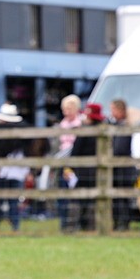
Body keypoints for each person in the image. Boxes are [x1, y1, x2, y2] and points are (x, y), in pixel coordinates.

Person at [0, 102, 27, 231]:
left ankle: (15, 227)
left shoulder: (19, 137)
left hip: (15, 172)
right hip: (1, 172)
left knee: (13, 202)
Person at [66, 103, 105, 231]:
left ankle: (76, 225)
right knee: (95, 199)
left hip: (83, 170)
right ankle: (93, 225)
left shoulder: (85, 131)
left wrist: (70, 167)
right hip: (99, 170)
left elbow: (75, 152)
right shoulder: (103, 130)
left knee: (80, 199)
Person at [55, 94, 83, 230]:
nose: (66, 111)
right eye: (65, 108)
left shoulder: (80, 124)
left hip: (75, 162)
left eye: (70, 108)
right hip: (63, 161)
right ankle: (64, 223)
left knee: (75, 194)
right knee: (62, 193)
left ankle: (76, 222)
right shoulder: (62, 124)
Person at [109, 98, 134, 230]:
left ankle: (123, 223)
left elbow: (120, 149)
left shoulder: (124, 127)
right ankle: (118, 222)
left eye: (113, 109)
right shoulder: (116, 125)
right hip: (118, 167)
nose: (111, 112)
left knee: (122, 197)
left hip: (122, 167)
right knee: (117, 197)